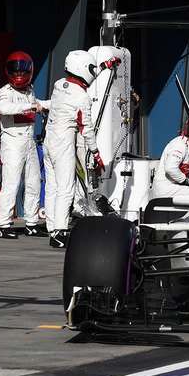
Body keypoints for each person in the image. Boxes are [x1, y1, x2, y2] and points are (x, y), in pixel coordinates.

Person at [44, 50, 118, 248]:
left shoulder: (59, 85)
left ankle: (52, 227)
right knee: (66, 188)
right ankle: (60, 233)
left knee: (51, 186)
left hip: (49, 139)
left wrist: (105, 66)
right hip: (64, 140)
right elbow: (87, 129)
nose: (93, 72)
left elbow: (88, 77)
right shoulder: (81, 97)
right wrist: (96, 153)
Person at [0, 52, 50, 239]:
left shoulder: (30, 92)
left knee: (33, 183)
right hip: (12, 142)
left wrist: (55, 104)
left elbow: (38, 104)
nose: (19, 75)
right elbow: (4, 109)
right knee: (11, 184)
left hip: (29, 142)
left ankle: (31, 223)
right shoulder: (4, 92)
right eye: (15, 71)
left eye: (22, 71)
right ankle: (3, 225)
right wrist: (29, 107)